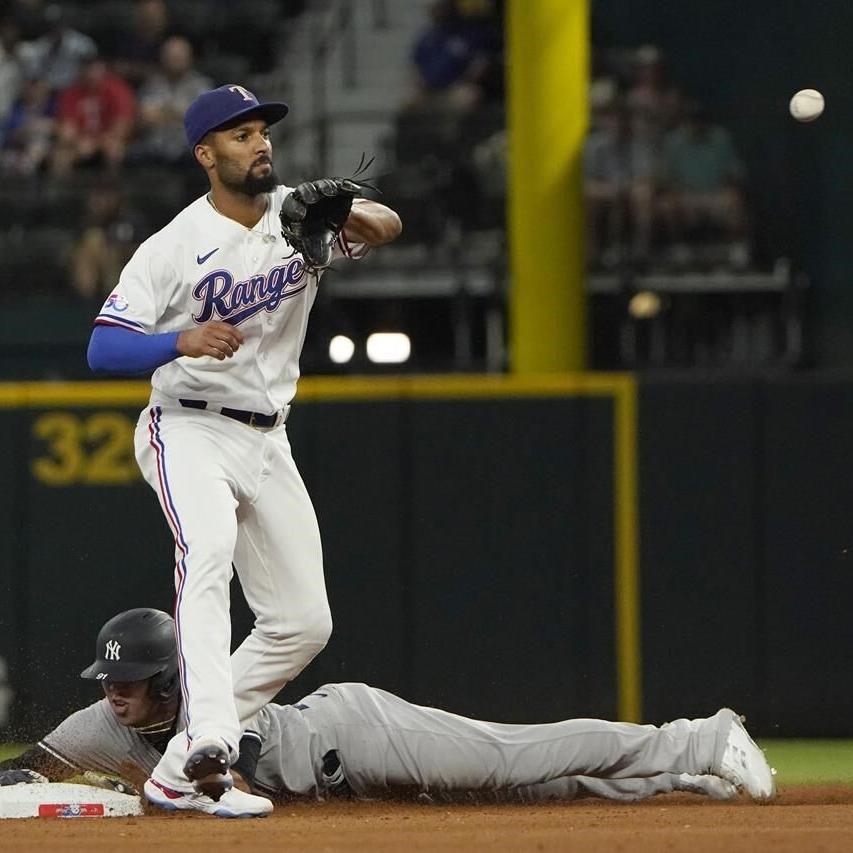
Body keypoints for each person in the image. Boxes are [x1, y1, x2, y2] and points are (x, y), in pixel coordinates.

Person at [84, 85, 402, 815]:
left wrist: (348, 208)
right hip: (188, 425)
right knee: (208, 552)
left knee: (302, 621)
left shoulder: (300, 214)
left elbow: (388, 225)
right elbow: (102, 348)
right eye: (238, 135)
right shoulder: (172, 246)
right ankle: (213, 748)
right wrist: (179, 339)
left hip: (267, 432)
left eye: (261, 131)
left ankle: (173, 768)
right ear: (205, 154)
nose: (258, 143)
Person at [0, 608, 776, 819]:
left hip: (351, 734)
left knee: (508, 757)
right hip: (351, 795)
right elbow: (29, 770)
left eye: (129, 679)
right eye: (108, 679)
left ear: (170, 678)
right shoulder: (97, 724)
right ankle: (673, 781)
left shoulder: (213, 692)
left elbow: (212, 782)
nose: (113, 691)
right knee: (524, 797)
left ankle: (700, 735)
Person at [132, 36, 212, 165]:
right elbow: (146, 118)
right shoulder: (152, 84)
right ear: (162, 58)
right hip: (154, 147)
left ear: (190, 58)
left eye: (178, 56)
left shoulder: (201, 85)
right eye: (169, 56)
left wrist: (163, 113)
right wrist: (180, 114)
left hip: (188, 148)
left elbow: (203, 121)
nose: (174, 60)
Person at [51, 56, 136, 176]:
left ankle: (110, 191)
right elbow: (66, 129)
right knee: (61, 156)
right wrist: (78, 141)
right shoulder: (71, 93)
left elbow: (122, 126)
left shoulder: (118, 90)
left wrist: (95, 143)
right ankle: (61, 192)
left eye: (95, 70)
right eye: (88, 70)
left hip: (108, 140)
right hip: (80, 141)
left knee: (114, 151)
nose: (92, 75)